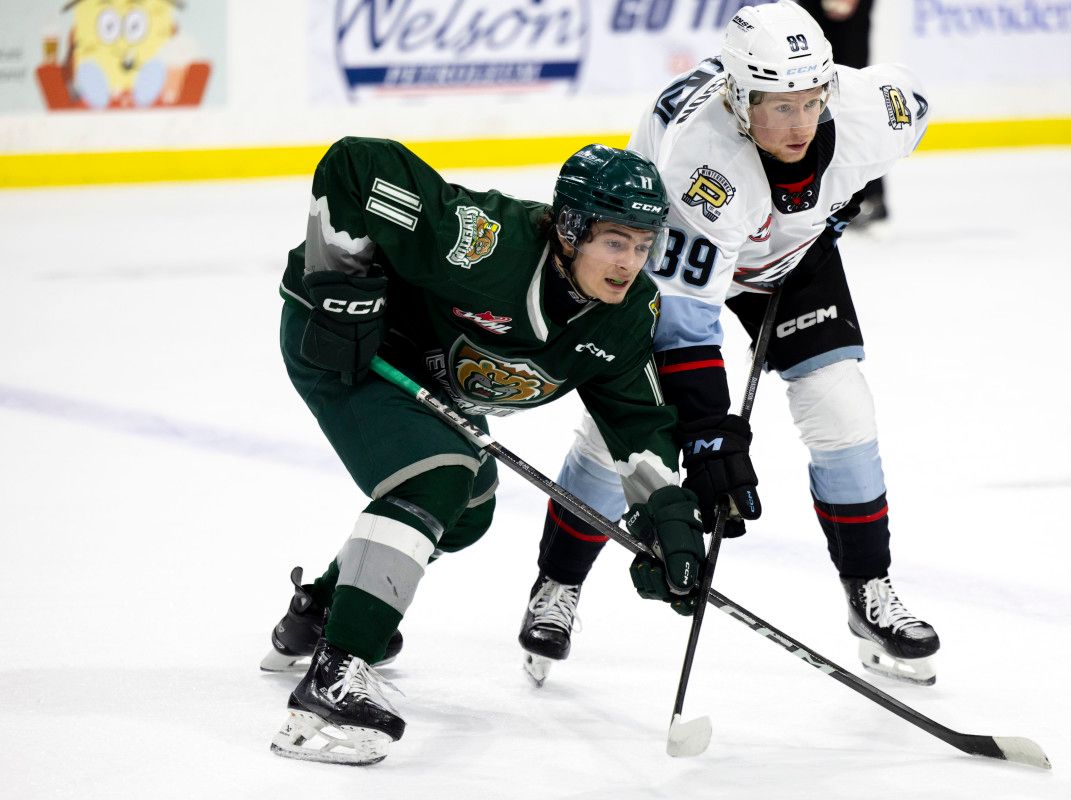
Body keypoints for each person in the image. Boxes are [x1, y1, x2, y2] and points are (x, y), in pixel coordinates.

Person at [519, 1, 940, 687]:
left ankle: (869, 591)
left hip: (788, 256)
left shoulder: (875, 111)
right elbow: (687, 324)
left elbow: (914, 100)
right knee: (618, 433)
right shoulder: (703, 163)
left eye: (812, 102)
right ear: (739, 98)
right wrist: (710, 439)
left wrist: (835, 198)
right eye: (780, 107)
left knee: (843, 410)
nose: (801, 124)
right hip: (670, 257)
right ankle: (556, 585)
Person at [264, 137, 708, 765]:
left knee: (468, 507)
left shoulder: (626, 312)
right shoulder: (483, 244)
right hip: (348, 343)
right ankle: (332, 682)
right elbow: (356, 165)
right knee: (436, 479)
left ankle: (326, 609)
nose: (630, 262)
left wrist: (667, 512)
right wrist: (342, 282)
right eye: (615, 241)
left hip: (425, 378)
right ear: (572, 229)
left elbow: (636, 417)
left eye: (643, 245)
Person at [796, 0, 888, 224]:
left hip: (846, 17)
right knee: (811, 92)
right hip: (814, 11)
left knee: (849, 95)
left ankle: (868, 196)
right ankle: (821, 199)